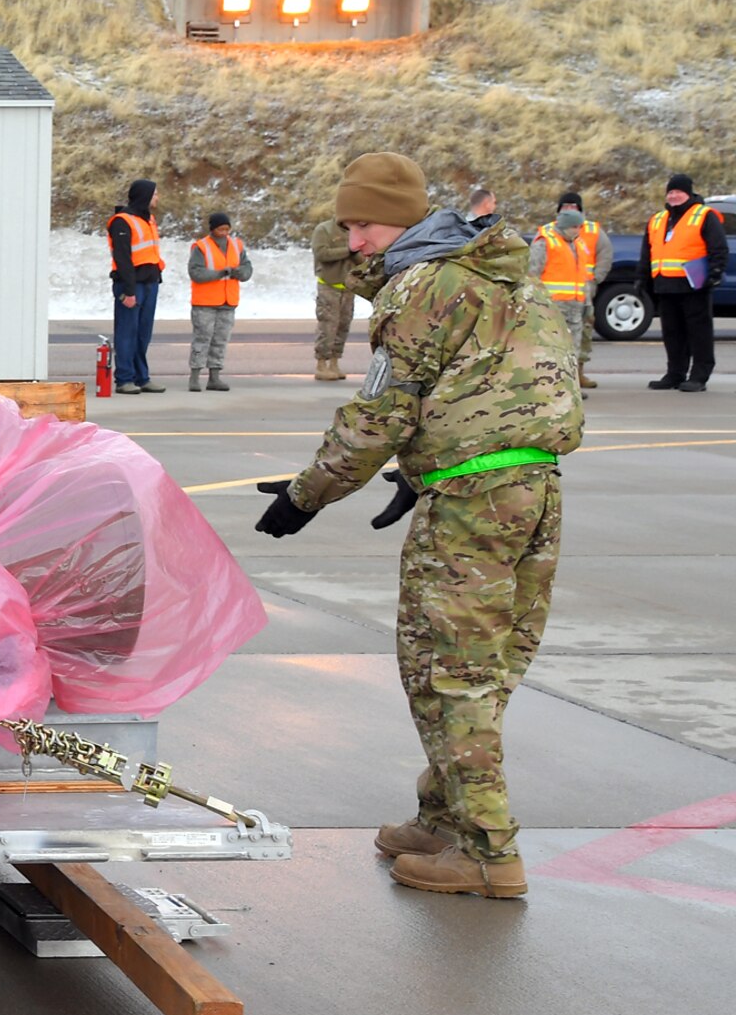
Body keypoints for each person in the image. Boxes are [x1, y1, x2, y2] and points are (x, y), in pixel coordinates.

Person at [254, 152, 582, 899]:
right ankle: (447, 815)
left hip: (472, 502)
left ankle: (488, 851)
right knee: (481, 662)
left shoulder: (419, 288)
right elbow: (498, 386)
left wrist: (309, 494)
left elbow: (382, 411)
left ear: (402, 220)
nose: (355, 241)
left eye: (363, 224)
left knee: (447, 667)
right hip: (532, 486)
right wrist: (418, 471)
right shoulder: (502, 276)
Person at [644, 173, 727, 392]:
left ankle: (699, 376)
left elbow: (718, 247)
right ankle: (675, 374)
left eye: (678, 191)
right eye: (670, 192)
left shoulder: (703, 215)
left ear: (688, 194)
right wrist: (642, 279)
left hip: (694, 286)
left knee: (699, 333)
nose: (673, 196)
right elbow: (647, 252)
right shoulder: (658, 219)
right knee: (672, 334)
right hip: (665, 285)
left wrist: (716, 272)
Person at [528, 203, 601, 387]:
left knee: (572, 350)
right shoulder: (545, 242)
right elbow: (532, 274)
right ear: (564, 226)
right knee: (551, 349)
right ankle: (550, 387)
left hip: (575, 307)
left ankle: (569, 388)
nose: (577, 230)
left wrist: (587, 304)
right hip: (552, 307)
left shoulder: (578, 244)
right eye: (573, 227)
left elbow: (583, 277)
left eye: (579, 227)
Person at [107, 179, 166, 393]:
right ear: (145, 196)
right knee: (127, 332)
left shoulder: (148, 219)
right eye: (155, 194)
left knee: (143, 333)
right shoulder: (122, 221)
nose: (157, 197)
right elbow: (123, 259)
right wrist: (129, 291)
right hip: (131, 285)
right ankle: (124, 379)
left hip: (150, 282)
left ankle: (142, 376)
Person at [187, 211, 251, 391]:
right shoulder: (201, 247)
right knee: (202, 339)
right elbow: (196, 273)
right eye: (220, 229)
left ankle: (214, 377)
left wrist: (241, 273)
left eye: (227, 229)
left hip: (227, 303)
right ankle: (195, 377)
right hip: (204, 303)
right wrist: (220, 273)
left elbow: (247, 267)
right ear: (213, 229)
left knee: (220, 340)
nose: (224, 232)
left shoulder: (236, 245)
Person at [552, 192, 611, 389]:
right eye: (565, 206)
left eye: (573, 206)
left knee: (583, 336)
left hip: (584, 294)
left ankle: (579, 372)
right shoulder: (550, 233)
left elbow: (605, 254)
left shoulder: (593, 230)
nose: (569, 210)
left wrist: (595, 279)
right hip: (558, 298)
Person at [311, 218, 353, 381]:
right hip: (328, 285)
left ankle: (334, 363)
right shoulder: (324, 229)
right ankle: (321, 364)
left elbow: (361, 257)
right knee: (327, 325)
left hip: (348, 287)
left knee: (343, 325)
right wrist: (348, 250)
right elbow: (321, 253)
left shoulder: (354, 231)